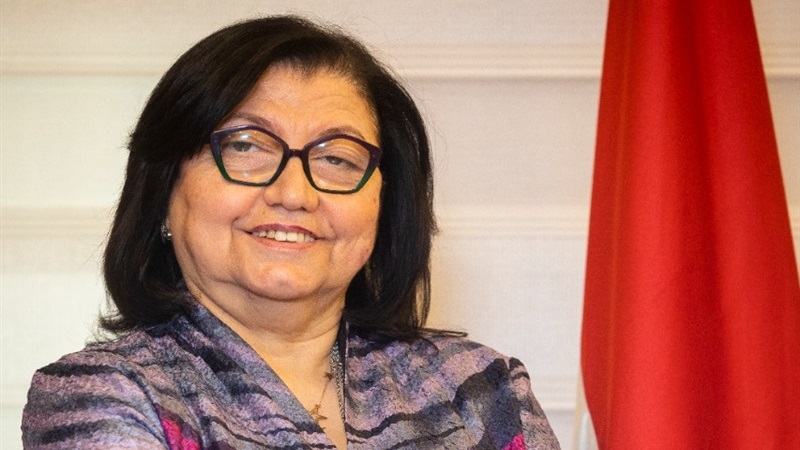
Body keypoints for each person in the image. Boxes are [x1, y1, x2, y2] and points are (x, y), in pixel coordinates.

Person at [21, 16, 560, 450]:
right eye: (246, 146)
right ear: (163, 189)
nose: (295, 193)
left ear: (385, 203)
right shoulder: (102, 395)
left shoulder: (479, 388)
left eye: (337, 159)